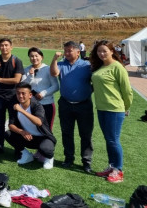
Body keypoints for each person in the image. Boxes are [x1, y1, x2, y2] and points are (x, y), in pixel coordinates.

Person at [89, 40, 133, 183]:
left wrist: (125, 107)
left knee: (113, 140)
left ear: (112, 51)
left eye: (104, 51)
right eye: (99, 51)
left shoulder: (118, 67)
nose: (101, 54)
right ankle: (111, 166)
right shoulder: (100, 67)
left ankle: (118, 170)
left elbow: (127, 91)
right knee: (109, 139)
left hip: (114, 109)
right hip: (101, 108)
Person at [50, 41, 94, 173]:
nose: (67, 53)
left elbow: (96, 80)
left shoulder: (86, 65)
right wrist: (54, 59)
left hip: (84, 105)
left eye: (70, 50)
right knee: (67, 133)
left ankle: (86, 162)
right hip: (66, 104)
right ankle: (69, 158)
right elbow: (54, 73)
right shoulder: (61, 64)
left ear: (78, 52)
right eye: (65, 51)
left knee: (85, 134)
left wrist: (88, 91)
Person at [5, 83, 57, 169]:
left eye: (23, 93)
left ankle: (49, 158)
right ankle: (26, 155)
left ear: (30, 95)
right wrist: (22, 132)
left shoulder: (37, 106)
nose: (20, 96)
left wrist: (22, 111)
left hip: (43, 138)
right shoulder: (15, 106)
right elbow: (11, 125)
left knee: (46, 149)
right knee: (8, 134)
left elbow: (38, 122)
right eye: (18, 93)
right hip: (28, 137)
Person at [0, 38, 23, 154]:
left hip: (13, 97)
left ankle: (18, 147)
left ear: (11, 47)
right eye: (2, 45)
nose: (4, 47)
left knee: (14, 123)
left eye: (6, 45)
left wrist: (0, 80)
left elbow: (17, 80)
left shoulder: (16, 61)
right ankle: (0, 145)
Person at [20, 47, 59, 128]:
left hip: (47, 104)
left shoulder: (48, 69)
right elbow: (23, 86)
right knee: (32, 129)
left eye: (36, 56)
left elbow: (56, 86)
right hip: (31, 105)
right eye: (31, 56)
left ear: (42, 57)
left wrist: (43, 93)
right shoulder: (26, 70)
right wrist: (31, 76)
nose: (34, 58)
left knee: (47, 129)